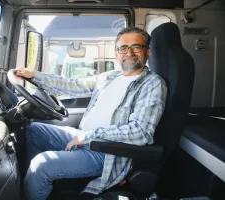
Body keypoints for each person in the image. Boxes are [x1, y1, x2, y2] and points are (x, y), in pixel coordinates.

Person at [15, 27, 167, 200]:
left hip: (106, 152)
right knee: (34, 130)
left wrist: (89, 135)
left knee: (42, 164)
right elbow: (73, 85)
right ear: (116, 53)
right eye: (123, 48)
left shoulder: (153, 83)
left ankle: (37, 182)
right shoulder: (110, 77)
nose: (129, 52)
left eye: (136, 47)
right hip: (84, 138)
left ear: (147, 51)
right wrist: (34, 76)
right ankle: (35, 185)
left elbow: (141, 132)